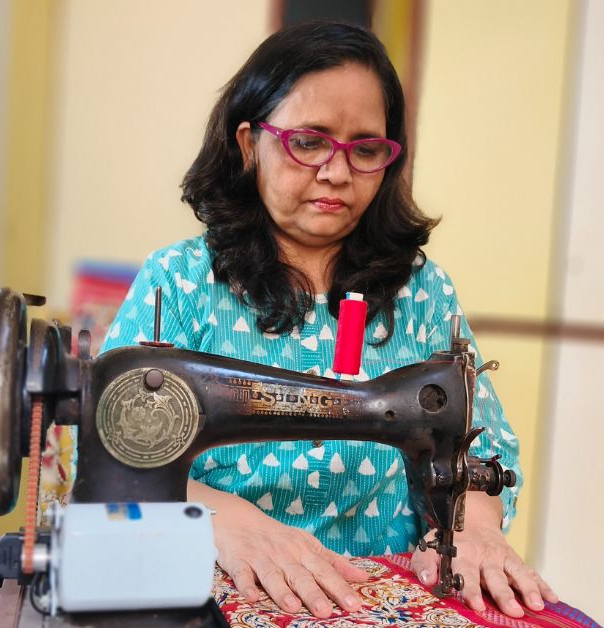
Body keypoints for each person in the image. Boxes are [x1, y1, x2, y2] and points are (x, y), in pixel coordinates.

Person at [98, 20, 556, 620]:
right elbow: (111, 456)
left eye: (365, 149)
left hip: (379, 590)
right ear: (247, 144)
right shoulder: (180, 283)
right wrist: (221, 518)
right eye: (309, 142)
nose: (338, 173)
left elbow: (482, 445)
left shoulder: (420, 290)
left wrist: (473, 528)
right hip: (215, 584)